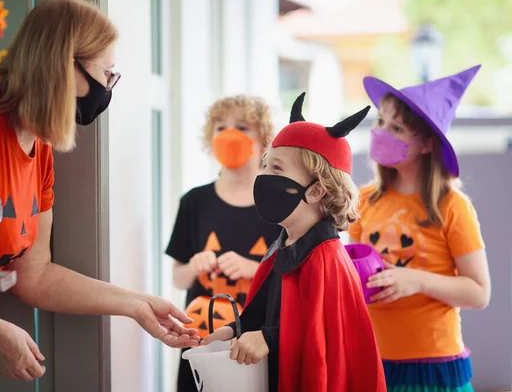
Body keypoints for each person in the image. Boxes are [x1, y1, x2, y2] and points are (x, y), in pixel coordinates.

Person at [0, 0, 198, 382]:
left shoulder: (41, 150)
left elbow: (34, 276)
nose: (109, 87)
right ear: (64, 65)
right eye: (107, 73)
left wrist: (137, 305)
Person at [203, 93, 387, 392]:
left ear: (315, 191)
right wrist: (233, 330)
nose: (263, 176)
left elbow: (323, 336)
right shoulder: (285, 244)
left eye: (277, 169)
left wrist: (269, 338)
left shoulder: (326, 258)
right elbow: (268, 310)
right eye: (266, 164)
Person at [349, 65, 491, 391]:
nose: (382, 132)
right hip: (374, 360)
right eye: (381, 122)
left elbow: (479, 293)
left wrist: (415, 280)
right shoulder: (363, 199)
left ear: (427, 144)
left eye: (397, 128)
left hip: (433, 366)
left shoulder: (452, 207)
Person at [166, 95, 282, 392]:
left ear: (264, 139)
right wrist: (193, 266)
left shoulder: (280, 206)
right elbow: (177, 279)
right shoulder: (195, 201)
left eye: (242, 127)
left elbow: (291, 282)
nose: (230, 134)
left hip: (256, 343)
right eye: (221, 127)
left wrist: (252, 268)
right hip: (203, 339)